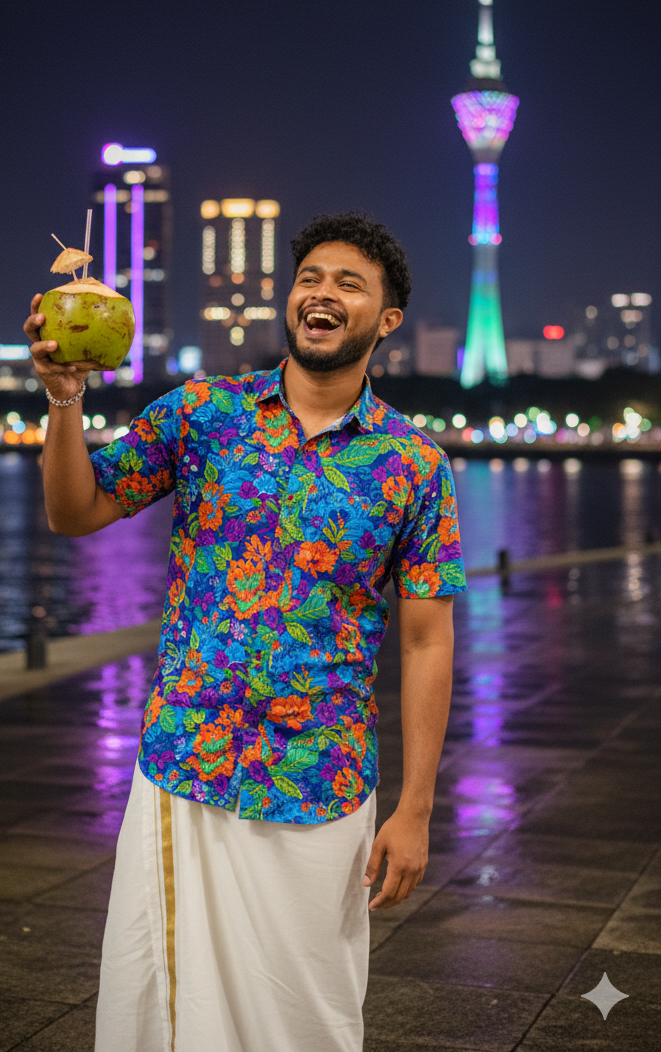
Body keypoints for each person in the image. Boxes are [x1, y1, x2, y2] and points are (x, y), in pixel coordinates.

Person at [24, 211, 465, 1052]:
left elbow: (426, 642)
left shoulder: (413, 466)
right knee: (158, 1008)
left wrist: (417, 808)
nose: (322, 294)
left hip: (318, 782)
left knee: (309, 1016)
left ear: (387, 320)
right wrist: (63, 399)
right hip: (185, 766)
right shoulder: (203, 416)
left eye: (348, 284)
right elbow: (75, 510)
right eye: (309, 279)